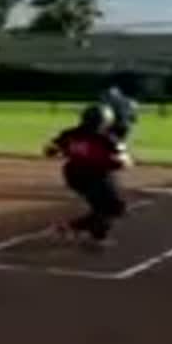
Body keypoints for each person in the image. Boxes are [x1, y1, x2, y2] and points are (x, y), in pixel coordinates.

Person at [45, 105, 132, 252]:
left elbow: (49, 150)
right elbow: (125, 163)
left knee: (102, 207)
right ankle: (72, 227)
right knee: (115, 208)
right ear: (104, 122)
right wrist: (117, 158)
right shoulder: (107, 138)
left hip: (74, 175)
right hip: (97, 176)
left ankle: (97, 236)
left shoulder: (71, 133)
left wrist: (61, 150)